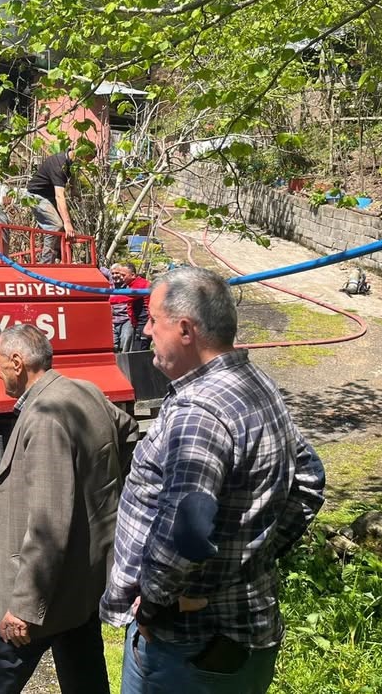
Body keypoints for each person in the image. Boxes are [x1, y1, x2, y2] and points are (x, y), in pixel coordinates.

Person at [101, 267, 326, 694]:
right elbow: (311, 480)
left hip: (185, 646)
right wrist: (251, 559)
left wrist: (154, 606)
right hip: (238, 638)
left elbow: (185, 532)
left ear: (185, 329)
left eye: (152, 320)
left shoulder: (200, 413)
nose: (145, 332)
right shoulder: (255, 382)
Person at [0, 324, 137, 694]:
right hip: (82, 584)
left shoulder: (45, 416)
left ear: (17, 362)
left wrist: (25, 607)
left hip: (44, 597)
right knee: (86, 678)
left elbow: (49, 524)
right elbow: (127, 433)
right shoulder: (86, 391)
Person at [25, 150, 75, 263]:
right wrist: (67, 223)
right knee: (55, 225)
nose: (87, 163)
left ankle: (60, 258)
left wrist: (74, 189)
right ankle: (46, 263)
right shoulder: (58, 165)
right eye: (88, 159)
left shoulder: (72, 163)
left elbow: (72, 175)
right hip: (36, 195)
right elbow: (59, 196)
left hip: (48, 196)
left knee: (67, 229)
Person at [109, 262, 151, 352]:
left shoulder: (140, 284)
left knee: (139, 351)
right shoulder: (131, 285)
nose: (121, 277)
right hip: (138, 323)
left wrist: (103, 300)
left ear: (132, 275)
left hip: (144, 323)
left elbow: (125, 297)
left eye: (124, 275)